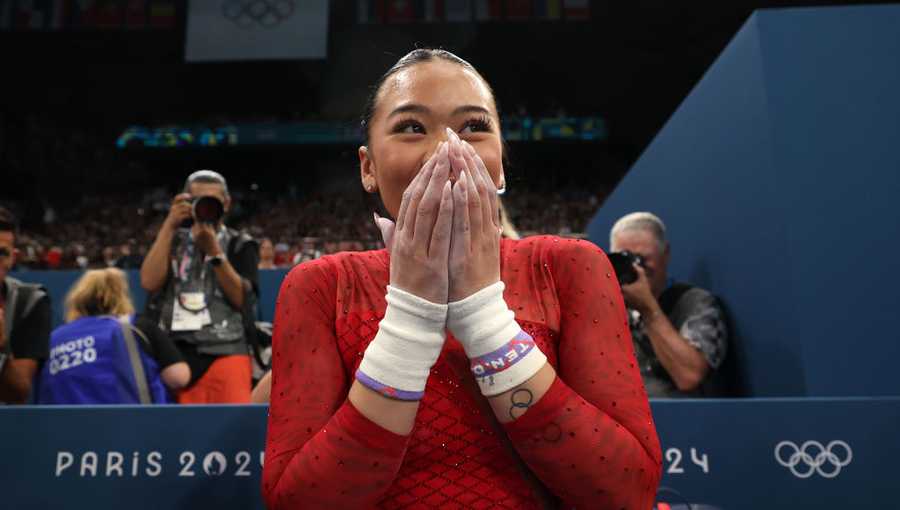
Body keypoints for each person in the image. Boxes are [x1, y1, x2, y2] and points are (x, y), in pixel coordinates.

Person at [263, 49, 661, 509]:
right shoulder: (322, 286)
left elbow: (626, 492)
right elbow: (298, 503)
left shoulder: (569, 266)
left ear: (501, 162)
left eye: (473, 127)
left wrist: (482, 313)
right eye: (412, 127)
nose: (447, 150)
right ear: (367, 167)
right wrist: (411, 318)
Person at [141, 170, 259, 404]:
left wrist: (214, 252)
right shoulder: (171, 239)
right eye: (197, 201)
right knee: (175, 435)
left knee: (231, 435)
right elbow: (149, 282)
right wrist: (169, 224)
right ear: (185, 202)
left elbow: (243, 301)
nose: (205, 207)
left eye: (213, 201)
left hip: (226, 347)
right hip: (172, 351)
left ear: (226, 204)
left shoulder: (240, 244)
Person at [609, 212, 729, 397]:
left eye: (642, 259)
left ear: (665, 255)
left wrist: (648, 309)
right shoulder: (606, 310)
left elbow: (689, 376)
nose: (635, 268)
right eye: (625, 259)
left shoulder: (695, 304)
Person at [33, 268, 190, 404]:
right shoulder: (136, 327)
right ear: (121, 296)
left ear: (78, 299)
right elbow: (178, 377)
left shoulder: (54, 338)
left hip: (62, 430)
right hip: (130, 427)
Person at [0, 207, 52, 404]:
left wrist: (1, 349)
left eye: (1, 253)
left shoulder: (29, 301)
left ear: (13, 257)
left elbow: (18, 393)